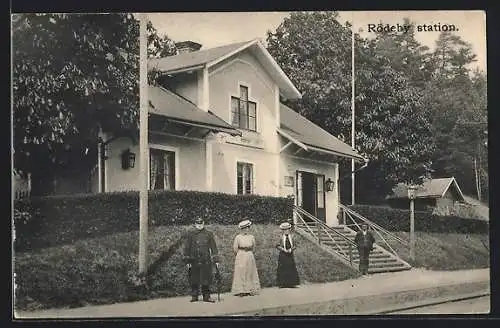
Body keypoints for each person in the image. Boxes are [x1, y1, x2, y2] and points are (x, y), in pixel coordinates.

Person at [183, 217, 220, 302]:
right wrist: (187, 260)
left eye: (201, 223)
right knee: (194, 278)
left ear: (203, 223)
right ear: (195, 224)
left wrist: (216, 260)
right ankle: (194, 296)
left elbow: (213, 247)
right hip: (194, 259)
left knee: (205, 278)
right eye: (198, 224)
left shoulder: (209, 234)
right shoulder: (191, 234)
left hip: (205, 259)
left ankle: (206, 296)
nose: (199, 225)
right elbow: (187, 247)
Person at [231, 219, 261, 297]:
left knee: (250, 271)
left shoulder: (251, 237)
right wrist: (240, 254)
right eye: (244, 228)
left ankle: (250, 289)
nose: (246, 230)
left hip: (249, 255)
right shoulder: (238, 237)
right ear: (241, 229)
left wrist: (249, 252)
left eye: (247, 228)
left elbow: (254, 247)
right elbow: (235, 248)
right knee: (241, 271)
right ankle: (241, 290)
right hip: (241, 255)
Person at [276, 222, 300, 288]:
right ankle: (282, 283)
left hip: (290, 254)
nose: (286, 231)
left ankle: (291, 283)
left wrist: (291, 250)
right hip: (283, 254)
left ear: (289, 229)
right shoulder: (280, 237)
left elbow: (295, 245)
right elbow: (277, 245)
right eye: (285, 230)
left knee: (291, 267)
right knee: (283, 267)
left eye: (288, 229)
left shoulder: (292, 236)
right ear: (282, 230)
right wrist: (283, 249)